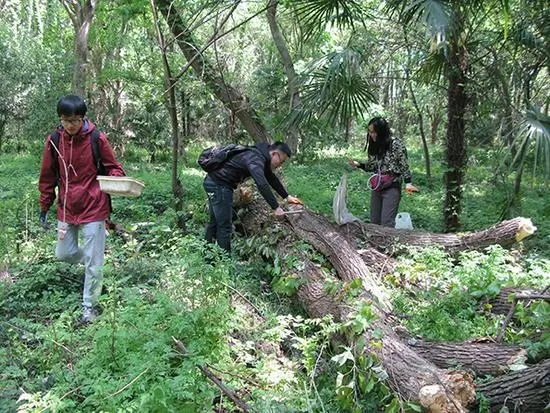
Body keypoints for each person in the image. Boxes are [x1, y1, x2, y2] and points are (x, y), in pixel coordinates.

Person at [38, 95, 125, 323]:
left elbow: (113, 167)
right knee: (63, 254)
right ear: (60, 119)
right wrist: (45, 203)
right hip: (66, 208)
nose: (71, 125)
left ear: (83, 118)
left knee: (94, 263)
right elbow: (47, 175)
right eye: (66, 120)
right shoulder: (54, 141)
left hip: (94, 205)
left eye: (75, 120)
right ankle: (92, 265)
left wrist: (116, 179)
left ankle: (89, 307)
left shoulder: (96, 138)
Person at [203, 141, 302, 252]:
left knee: (215, 222)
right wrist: (276, 207)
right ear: (274, 154)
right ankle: (224, 264)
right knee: (225, 226)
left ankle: (207, 256)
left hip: (213, 182)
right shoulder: (255, 158)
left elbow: (271, 178)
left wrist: (286, 196)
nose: (281, 165)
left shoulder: (261, 155)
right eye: (281, 161)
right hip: (219, 185)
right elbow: (261, 183)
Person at [348, 117, 418, 227]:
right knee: (374, 222)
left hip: (392, 186)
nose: (372, 135)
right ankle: (374, 244)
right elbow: (372, 166)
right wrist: (359, 165)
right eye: (370, 132)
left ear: (381, 131)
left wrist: (408, 183)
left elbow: (403, 165)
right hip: (377, 186)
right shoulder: (374, 144)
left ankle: (388, 244)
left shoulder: (396, 144)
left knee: (386, 223)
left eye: (374, 132)